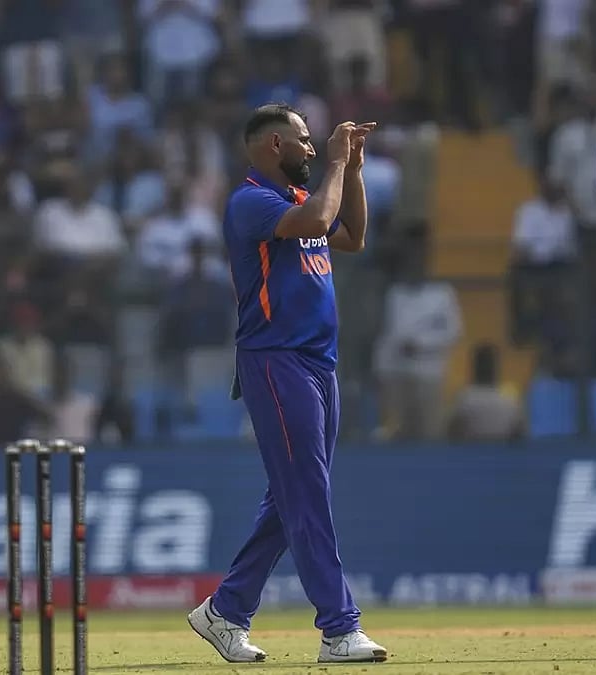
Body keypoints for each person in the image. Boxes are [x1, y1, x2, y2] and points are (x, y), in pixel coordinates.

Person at [187, 103, 387, 664]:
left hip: (319, 363)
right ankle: (339, 629)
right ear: (275, 145)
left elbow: (353, 236)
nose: (312, 147)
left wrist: (353, 169)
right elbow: (321, 223)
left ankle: (226, 611)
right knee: (307, 494)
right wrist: (337, 163)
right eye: (303, 138)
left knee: (292, 495)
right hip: (276, 361)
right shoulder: (251, 202)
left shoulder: (299, 198)